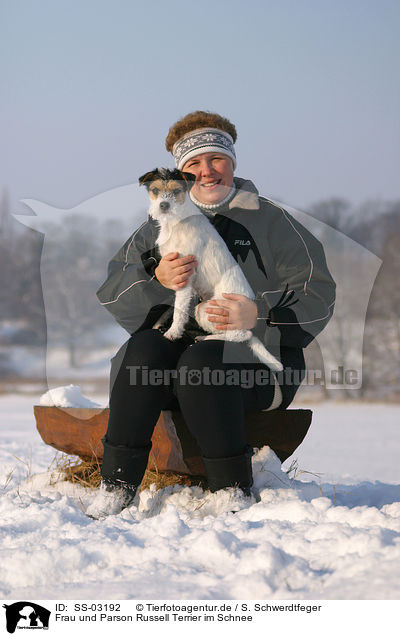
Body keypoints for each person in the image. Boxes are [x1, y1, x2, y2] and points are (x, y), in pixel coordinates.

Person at [86, 111, 336, 519]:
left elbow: (318, 292)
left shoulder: (272, 221)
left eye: (216, 159)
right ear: (181, 174)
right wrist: (158, 276)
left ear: (232, 162)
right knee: (145, 350)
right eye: (193, 164)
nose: (206, 171)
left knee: (201, 363)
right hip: (173, 365)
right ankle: (116, 486)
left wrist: (258, 313)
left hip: (253, 362)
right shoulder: (159, 225)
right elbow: (114, 288)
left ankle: (231, 491)